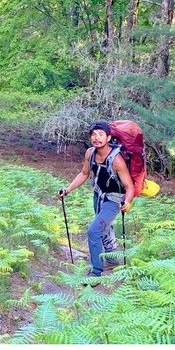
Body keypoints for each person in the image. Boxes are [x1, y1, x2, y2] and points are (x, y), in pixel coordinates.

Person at [58, 120, 134, 281]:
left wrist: (127, 201)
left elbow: (129, 186)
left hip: (114, 200)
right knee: (103, 228)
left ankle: (96, 271)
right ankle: (113, 261)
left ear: (108, 138)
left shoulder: (117, 160)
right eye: (93, 134)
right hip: (98, 195)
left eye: (100, 134)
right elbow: (84, 174)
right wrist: (68, 189)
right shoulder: (90, 153)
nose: (96, 138)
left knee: (94, 230)